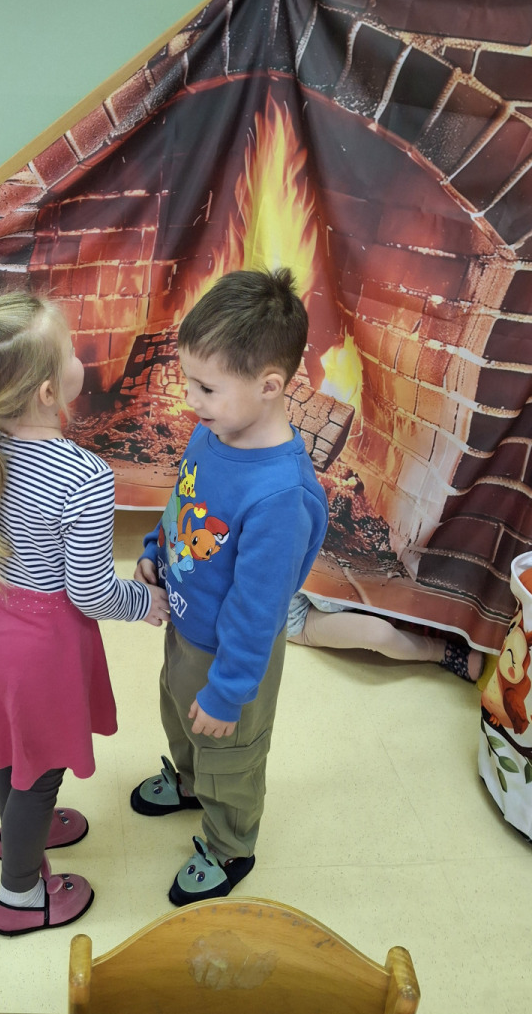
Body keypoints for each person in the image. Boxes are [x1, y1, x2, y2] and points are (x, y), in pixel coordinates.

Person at [0, 293, 169, 937]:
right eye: (69, 352)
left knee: (11, 745)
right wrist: (144, 603)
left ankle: (17, 833)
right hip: (44, 648)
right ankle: (19, 894)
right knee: (40, 771)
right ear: (47, 391)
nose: (78, 358)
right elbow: (90, 592)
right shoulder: (83, 475)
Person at [132, 268, 328, 905]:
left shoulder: (280, 497)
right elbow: (183, 503)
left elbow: (257, 610)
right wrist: (155, 551)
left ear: (270, 386)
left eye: (207, 387)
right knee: (177, 710)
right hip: (187, 628)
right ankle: (189, 781)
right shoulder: (212, 432)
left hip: (234, 658)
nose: (191, 399)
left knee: (230, 753)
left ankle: (228, 845)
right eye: (190, 380)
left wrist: (228, 692)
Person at [287, 591, 483, 681]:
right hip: (298, 621)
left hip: (311, 594)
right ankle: (442, 652)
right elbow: (326, 602)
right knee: (379, 633)